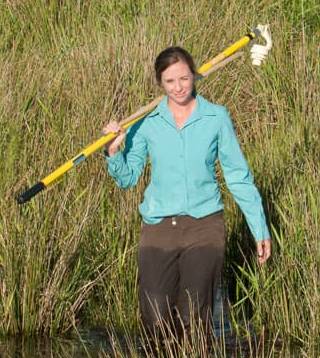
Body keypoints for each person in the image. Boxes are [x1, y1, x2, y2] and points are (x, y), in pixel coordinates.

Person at [103, 44, 273, 339]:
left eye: (184, 78)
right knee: (155, 321)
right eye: (170, 81)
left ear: (194, 76)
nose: (178, 87)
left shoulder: (216, 117)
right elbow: (128, 178)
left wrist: (259, 228)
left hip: (204, 226)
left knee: (194, 321)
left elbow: (238, 177)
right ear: (160, 83)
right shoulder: (145, 123)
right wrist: (114, 151)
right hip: (158, 228)